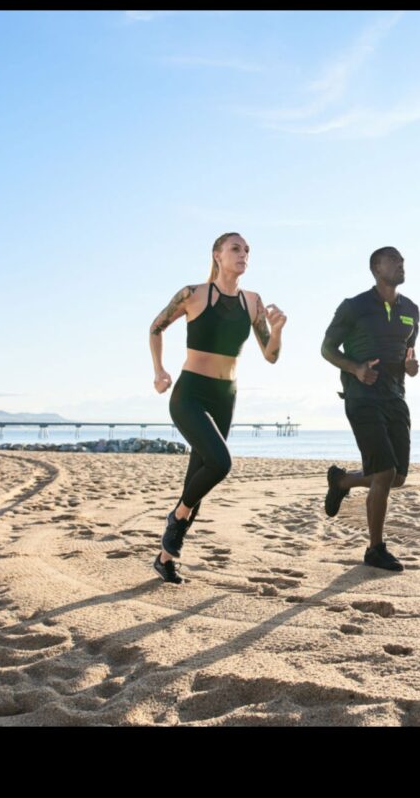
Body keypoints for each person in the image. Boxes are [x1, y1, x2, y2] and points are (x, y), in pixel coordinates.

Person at [148, 232, 286, 583]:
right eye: (235, 249)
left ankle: (166, 558)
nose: (243, 255)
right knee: (221, 463)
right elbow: (156, 327)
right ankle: (177, 518)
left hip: (226, 396)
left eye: (247, 251)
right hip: (190, 393)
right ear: (217, 255)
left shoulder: (253, 302)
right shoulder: (192, 294)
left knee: (197, 478)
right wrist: (159, 371)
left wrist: (278, 330)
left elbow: (270, 355)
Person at [321, 246, 419, 572]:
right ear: (377, 267)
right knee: (384, 472)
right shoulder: (354, 307)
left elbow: (408, 352)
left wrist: (412, 366)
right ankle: (375, 549)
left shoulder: (412, 310)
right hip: (361, 396)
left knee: (398, 477)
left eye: (403, 261)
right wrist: (355, 369)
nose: (402, 265)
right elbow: (327, 348)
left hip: (395, 396)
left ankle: (342, 481)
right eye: (395, 261)